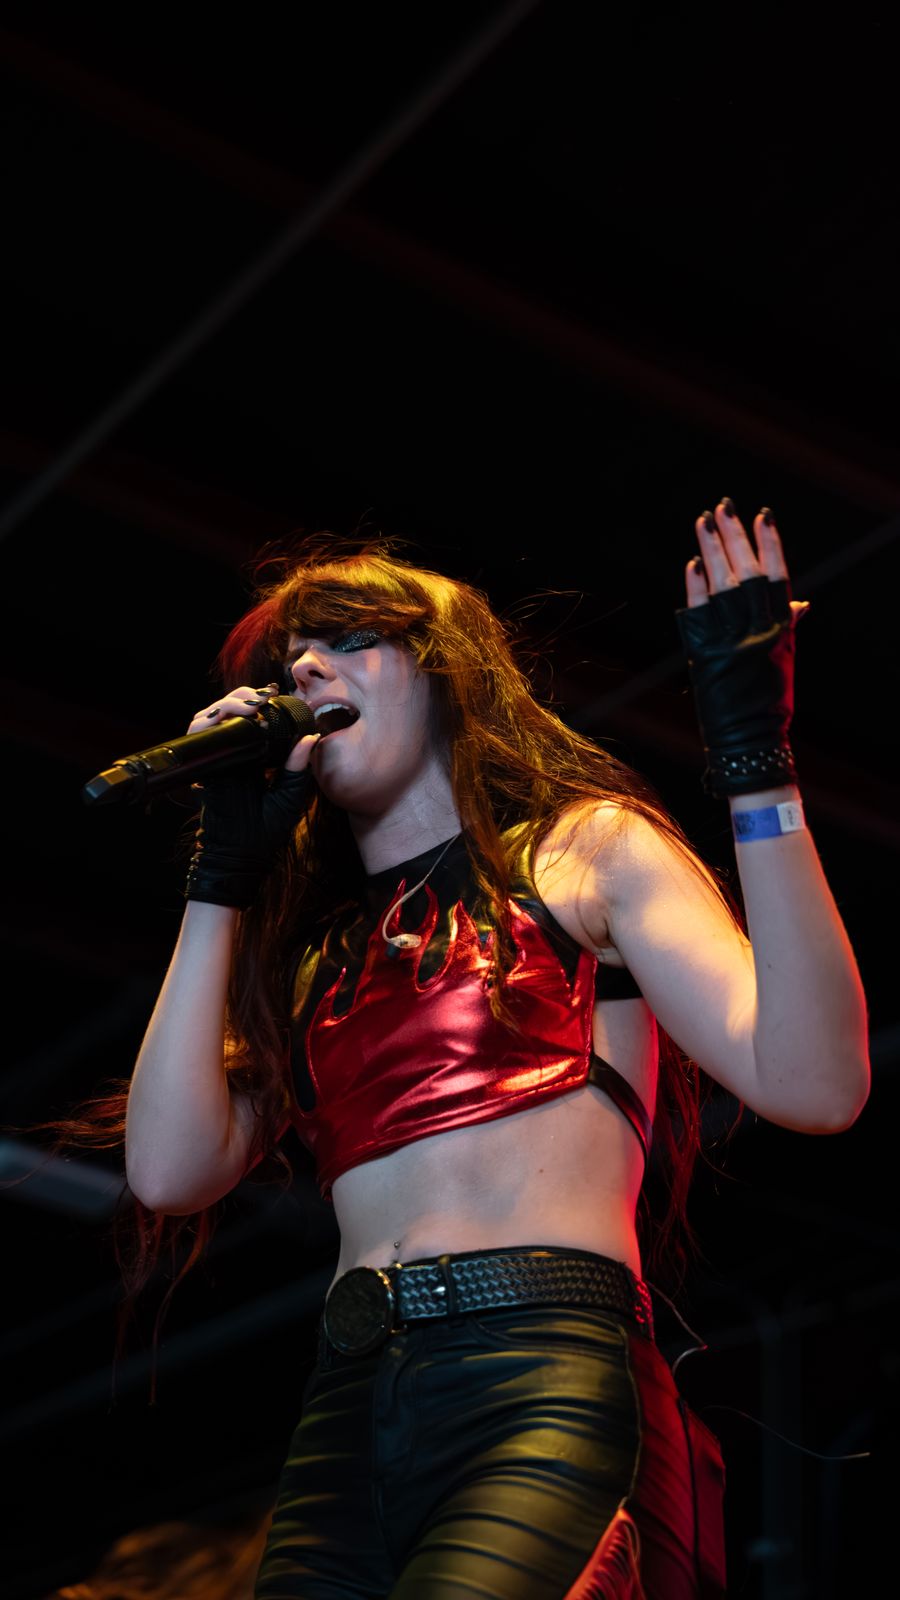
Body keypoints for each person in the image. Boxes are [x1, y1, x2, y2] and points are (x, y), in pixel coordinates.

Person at [123, 499, 870, 1599]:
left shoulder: (584, 852)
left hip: (539, 1374)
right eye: (289, 662)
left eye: (348, 639)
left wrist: (755, 756)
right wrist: (220, 876)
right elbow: (167, 1169)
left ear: (443, 671)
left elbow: (815, 1083)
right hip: (346, 1408)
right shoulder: (317, 960)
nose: (307, 669)